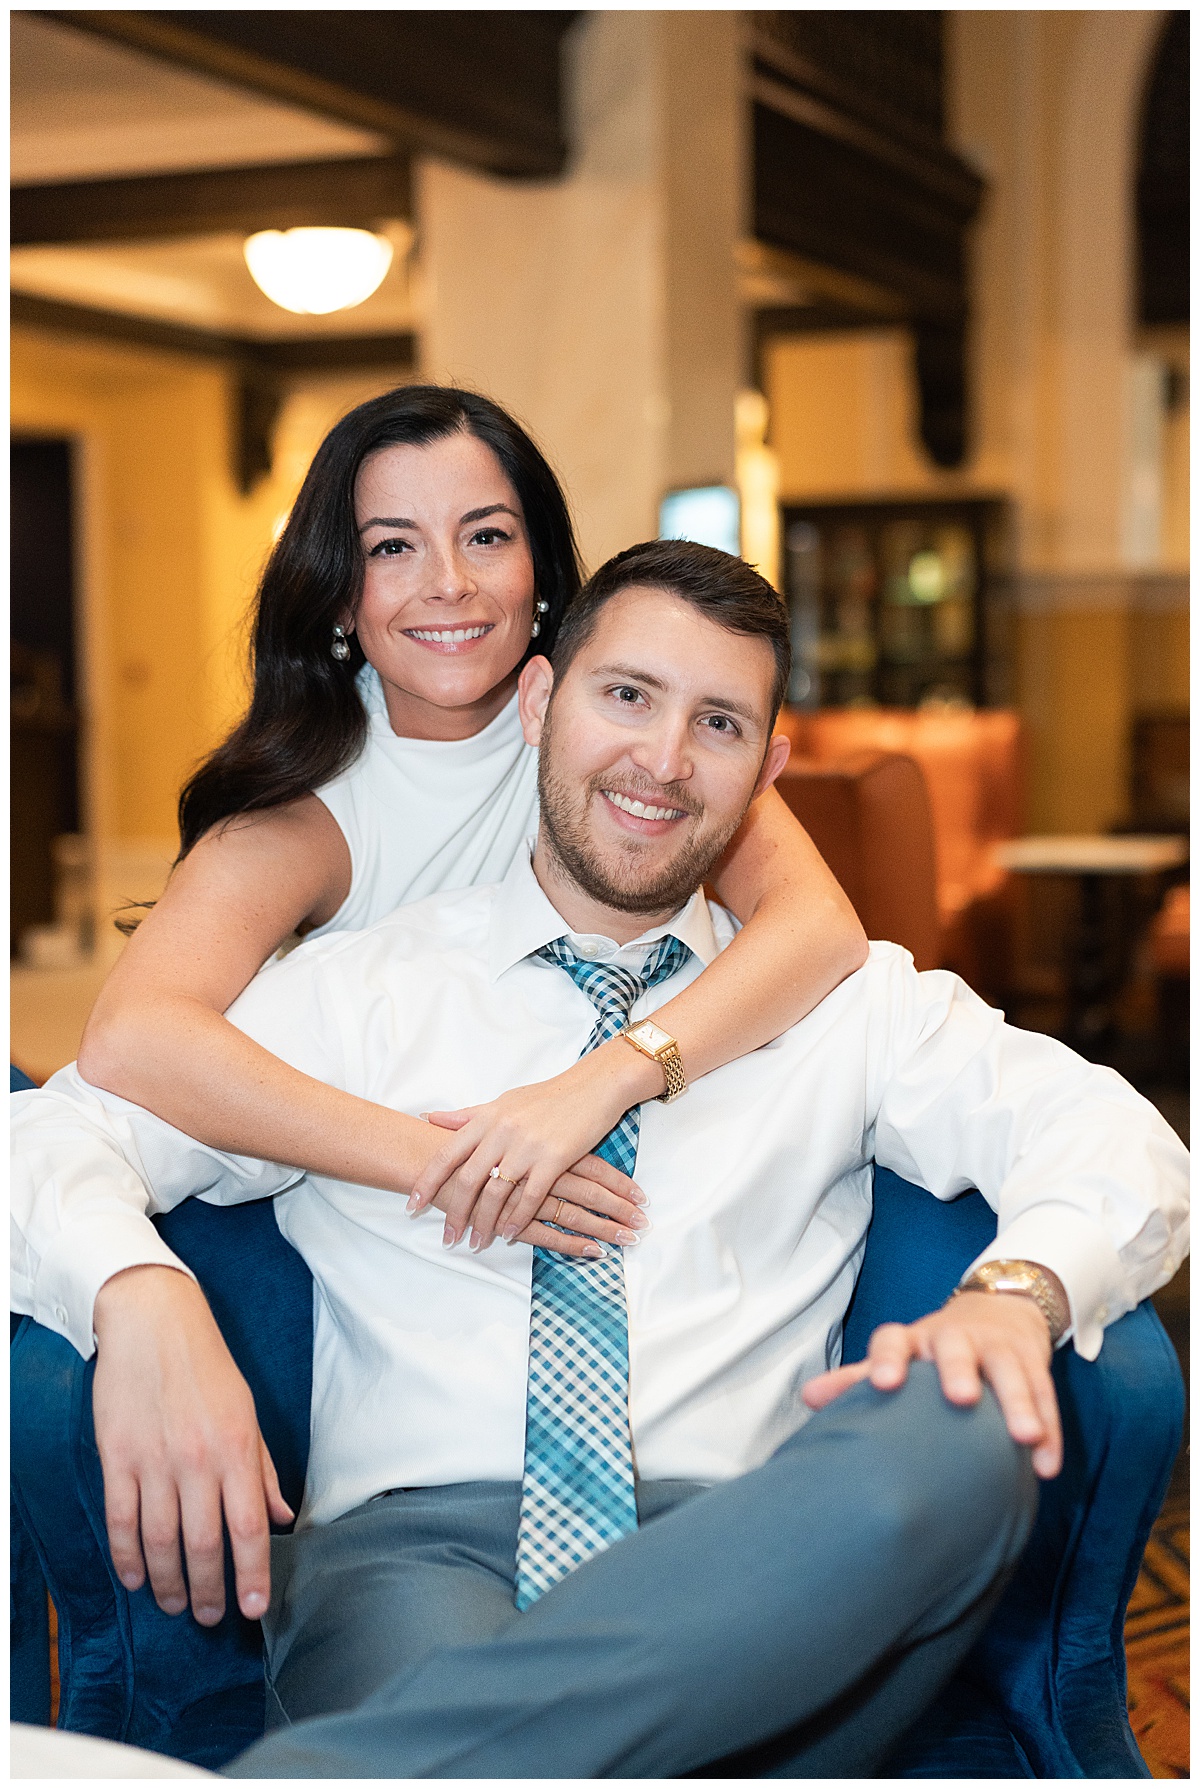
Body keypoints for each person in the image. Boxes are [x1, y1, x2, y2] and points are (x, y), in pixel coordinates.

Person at [12, 541, 1188, 1778]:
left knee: (970, 1432)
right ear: (537, 705)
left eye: (719, 722)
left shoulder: (851, 1008)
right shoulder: (358, 998)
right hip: (421, 1562)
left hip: (770, 1561)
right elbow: (53, 1132)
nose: (665, 761)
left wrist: (1014, 1301)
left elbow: (1123, 1139)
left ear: (768, 770)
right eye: (626, 695)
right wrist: (135, 1290)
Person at [75, 384, 867, 1255]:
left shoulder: (614, 726)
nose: (448, 584)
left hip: (636, 1168)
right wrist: (455, 1159)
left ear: (538, 572)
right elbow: (133, 1036)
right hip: (404, 1231)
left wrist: (604, 1084)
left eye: (485, 536)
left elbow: (819, 927)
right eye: (392, 547)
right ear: (341, 597)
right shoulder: (306, 815)